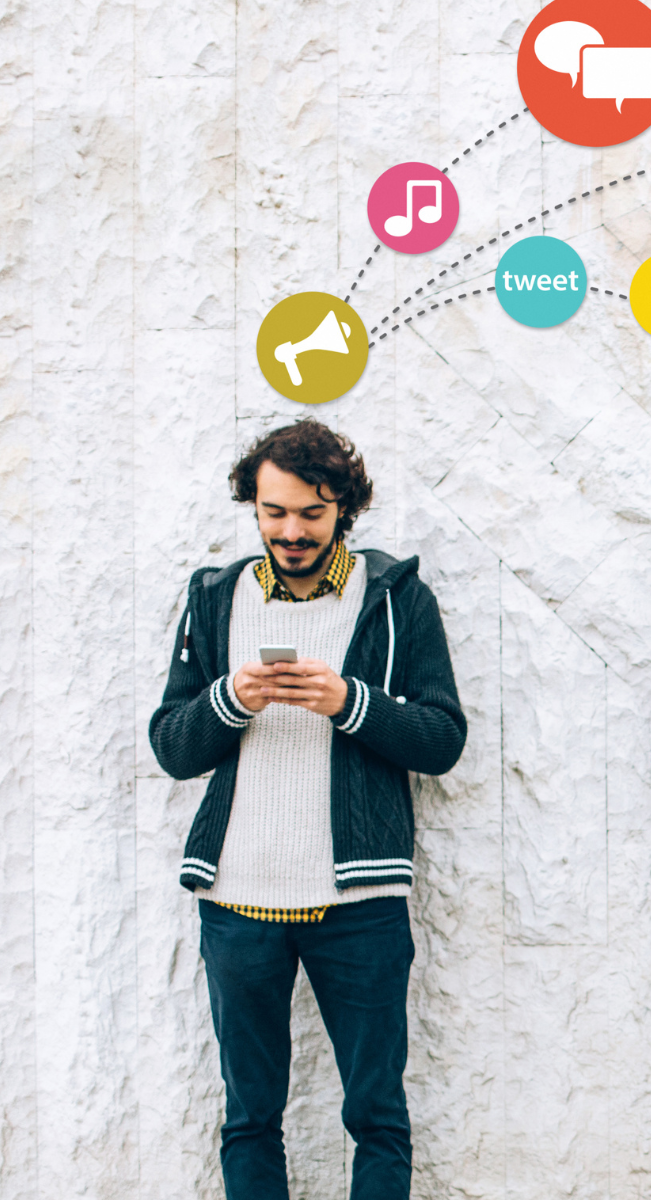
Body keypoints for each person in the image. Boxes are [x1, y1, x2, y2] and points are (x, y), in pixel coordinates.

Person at [148, 420, 466, 1200]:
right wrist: (230, 699)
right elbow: (172, 747)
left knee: (377, 1115)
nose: (291, 531)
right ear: (253, 507)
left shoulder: (397, 599)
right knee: (250, 1117)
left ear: (343, 510)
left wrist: (349, 701)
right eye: (274, 512)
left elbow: (442, 739)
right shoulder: (214, 599)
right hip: (236, 900)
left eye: (311, 514)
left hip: (361, 904)